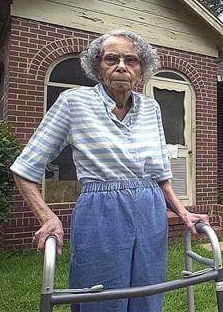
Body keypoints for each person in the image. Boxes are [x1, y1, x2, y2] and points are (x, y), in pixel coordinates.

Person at [11, 30, 209, 312]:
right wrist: (47, 217)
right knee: (100, 297)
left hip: (151, 211)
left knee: (148, 294)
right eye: (111, 58)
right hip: (100, 211)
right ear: (97, 66)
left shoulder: (151, 107)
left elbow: (160, 174)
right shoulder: (73, 102)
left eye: (131, 60)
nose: (121, 66)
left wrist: (183, 211)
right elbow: (25, 168)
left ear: (141, 70)